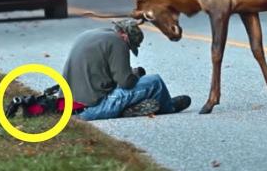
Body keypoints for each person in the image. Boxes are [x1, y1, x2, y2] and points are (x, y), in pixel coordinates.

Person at [62, 19, 191, 121]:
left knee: (135, 85)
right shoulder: (118, 42)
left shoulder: (91, 35)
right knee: (155, 82)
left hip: (69, 106)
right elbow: (126, 82)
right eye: (130, 47)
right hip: (93, 109)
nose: (128, 49)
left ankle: (130, 108)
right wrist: (135, 75)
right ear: (125, 36)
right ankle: (168, 107)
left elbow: (103, 74)